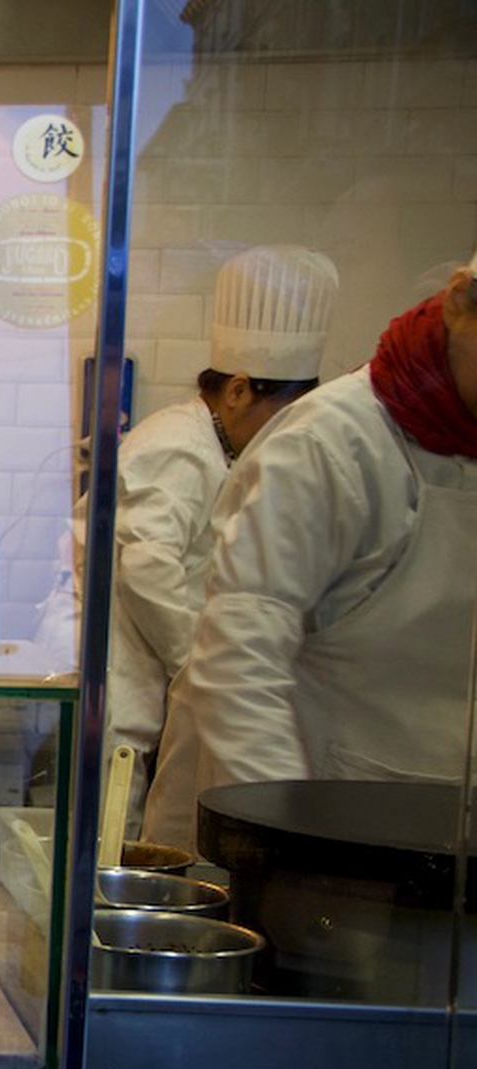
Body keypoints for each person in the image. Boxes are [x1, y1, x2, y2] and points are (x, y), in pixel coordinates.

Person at [143, 249, 477, 851]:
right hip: (326, 826)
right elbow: (224, 641)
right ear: (459, 302)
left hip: (435, 825)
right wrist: (293, 850)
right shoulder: (327, 444)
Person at [98, 245, 337, 838]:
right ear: (238, 391)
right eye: (279, 415)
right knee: (111, 832)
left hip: (149, 679)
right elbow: (146, 567)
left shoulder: (215, 445)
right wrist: (199, 664)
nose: (281, 435)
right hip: (122, 677)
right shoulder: (179, 445)